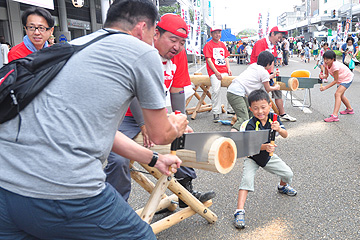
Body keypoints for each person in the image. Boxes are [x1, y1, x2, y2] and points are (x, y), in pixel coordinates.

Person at [0, 1, 189, 239]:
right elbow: (161, 134)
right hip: (61, 190)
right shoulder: (141, 51)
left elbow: (98, 131)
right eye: (153, 34)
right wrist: (178, 123)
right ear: (142, 29)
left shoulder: (74, 47)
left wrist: (153, 158)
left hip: (5, 186)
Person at [105, 13, 215, 206]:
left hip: (155, 111)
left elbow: (177, 91)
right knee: (119, 160)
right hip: (123, 115)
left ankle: (185, 191)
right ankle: (116, 208)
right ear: (156, 34)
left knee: (183, 140)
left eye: (182, 42)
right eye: (173, 40)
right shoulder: (141, 51)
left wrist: (180, 122)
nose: (177, 47)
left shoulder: (178, 55)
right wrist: (143, 123)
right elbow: (131, 92)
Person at [233, 89, 297, 229]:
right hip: (252, 157)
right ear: (250, 109)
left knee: (288, 173)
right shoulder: (250, 124)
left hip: (268, 156)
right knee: (246, 182)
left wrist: (279, 129)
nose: (260, 111)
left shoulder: (274, 118)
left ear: (269, 105)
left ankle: (282, 186)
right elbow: (250, 146)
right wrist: (264, 147)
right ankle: (239, 211)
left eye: (263, 107)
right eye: (255, 108)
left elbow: (285, 135)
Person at [250, 26, 296, 122]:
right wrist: (267, 76)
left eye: (280, 38)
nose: (279, 40)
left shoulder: (272, 45)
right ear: (272, 34)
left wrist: (272, 74)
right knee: (261, 95)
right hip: (257, 74)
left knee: (277, 89)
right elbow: (261, 62)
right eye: (278, 37)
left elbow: (271, 62)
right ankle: (259, 114)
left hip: (266, 74)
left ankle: (282, 113)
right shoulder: (260, 43)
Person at [227, 51, 280, 131]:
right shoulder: (264, 72)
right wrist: (276, 87)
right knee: (243, 119)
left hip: (233, 91)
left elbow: (260, 77)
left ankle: (252, 133)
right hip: (236, 94)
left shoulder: (254, 66)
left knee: (251, 113)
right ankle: (232, 137)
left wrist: (272, 76)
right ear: (268, 63)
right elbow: (268, 89)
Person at [203, 26, 232, 122]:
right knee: (216, 90)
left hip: (224, 70)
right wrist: (216, 72)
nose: (217, 34)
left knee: (233, 88)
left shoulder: (222, 45)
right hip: (214, 72)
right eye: (215, 33)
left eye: (219, 32)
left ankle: (231, 109)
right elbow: (209, 60)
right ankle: (216, 112)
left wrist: (229, 69)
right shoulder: (208, 45)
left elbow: (226, 57)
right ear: (211, 34)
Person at [320, 50, 354, 122]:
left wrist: (325, 87)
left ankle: (335, 116)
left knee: (337, 94)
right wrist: (322, 76)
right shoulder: (326, 64)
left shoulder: (335, 67)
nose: (325, 61)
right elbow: (326, 75)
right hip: (341, 79)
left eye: (327, 59)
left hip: (347, 78)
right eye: (324, 59)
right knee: (340, 95)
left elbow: (335, 80)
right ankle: (349, 109)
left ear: (333, 59)